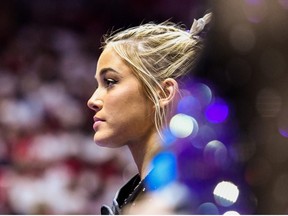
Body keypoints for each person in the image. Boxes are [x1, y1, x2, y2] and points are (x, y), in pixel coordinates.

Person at [87, 13, 212, 215]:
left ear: (163, 92)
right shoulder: (130, 197)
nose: (92, 100)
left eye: (110, 82)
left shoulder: (193, 197)